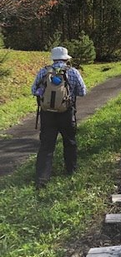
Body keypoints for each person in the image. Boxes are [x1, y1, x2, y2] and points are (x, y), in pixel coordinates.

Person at [31, 46, 87, 189]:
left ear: (53, 58)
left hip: (47, 114)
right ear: (66, 59)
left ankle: (42, 179)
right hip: (66, 113)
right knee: (70, 142)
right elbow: (82, 92)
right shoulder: (72, 72)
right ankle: (71, 171)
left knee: (46, 146)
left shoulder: (44, 71)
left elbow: (34, 90)